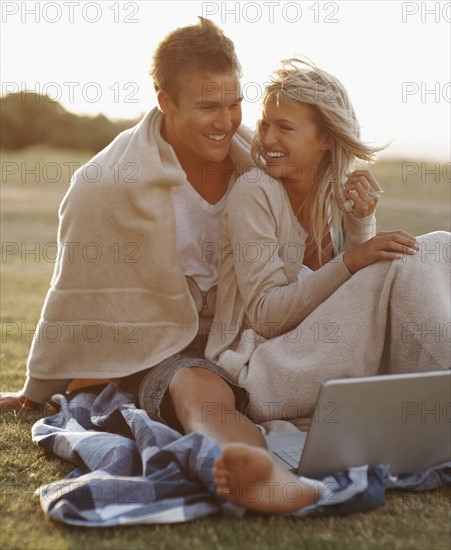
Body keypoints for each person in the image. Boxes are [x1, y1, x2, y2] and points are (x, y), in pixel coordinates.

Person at [0, 17, 267, 448]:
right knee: (193, 382)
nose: (227, 120)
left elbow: (316, 258)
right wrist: (35, 392)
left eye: (234, 102)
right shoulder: (104, 184)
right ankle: (250, 467)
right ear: (167, 101)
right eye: (207, 107)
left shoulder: (264, 169)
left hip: (251, 339)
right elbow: (72, 296)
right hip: (164, 348)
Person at [207, 58, 450, 510]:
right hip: (264, 369)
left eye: (286, 128)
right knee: (423, 249)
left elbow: (355, 303)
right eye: (266, 125)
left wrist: (360, 225)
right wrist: (355, 258)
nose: (267, 139)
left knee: (439, 247)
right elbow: (265, 312)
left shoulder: (338, 193)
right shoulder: (255, 192)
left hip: (328, 358)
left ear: (325, 140)